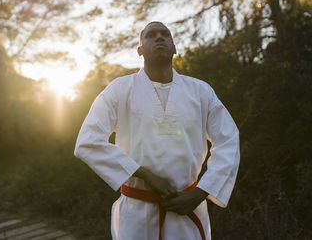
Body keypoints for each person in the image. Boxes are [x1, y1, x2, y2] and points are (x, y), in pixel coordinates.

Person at [74, 21, 240, 240]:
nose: (159, 37)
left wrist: (201, 192)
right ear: (140, 50)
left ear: (174, 47)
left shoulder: (201, 92)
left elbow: (228, 140)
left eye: (165, 34)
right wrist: (143, 174)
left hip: (187, 210)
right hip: (136, 215)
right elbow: (87, 141)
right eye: (151, 34)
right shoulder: (119, 90)